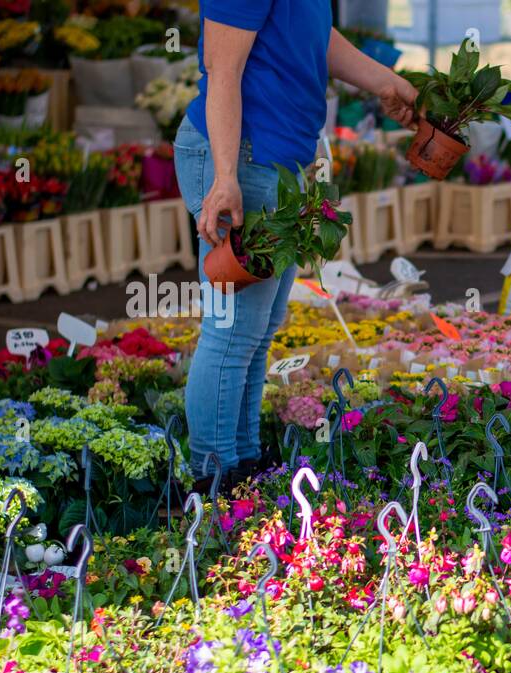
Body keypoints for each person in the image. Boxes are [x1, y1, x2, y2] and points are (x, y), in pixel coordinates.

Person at [173, 2, 417, 490]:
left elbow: (316, 37)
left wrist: (392, 86)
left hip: (276, 165)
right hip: (241, 159)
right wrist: (224, 178)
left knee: (258, 332)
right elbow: (223, 72)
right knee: (231, 331)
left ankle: (241, 463)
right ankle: (212, 481)